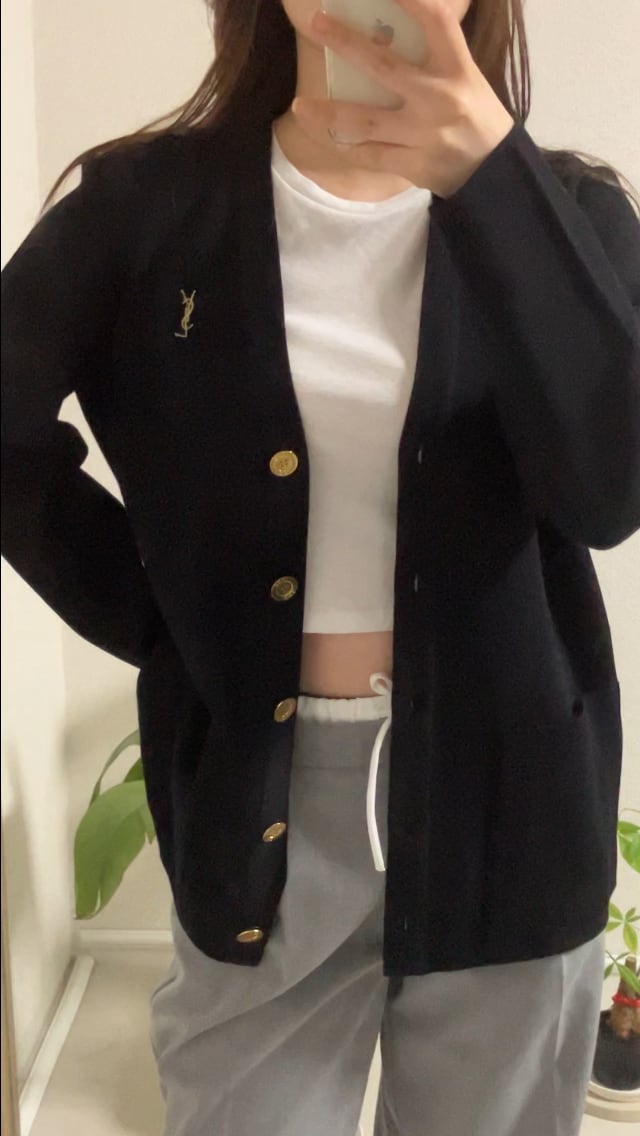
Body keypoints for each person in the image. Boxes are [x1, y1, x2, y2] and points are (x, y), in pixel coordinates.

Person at [2, 1, 640, 1133]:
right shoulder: (141, 208)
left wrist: (493, 182)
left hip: (510, 800)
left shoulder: (571, 212)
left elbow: (612, 492)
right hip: (261, 797)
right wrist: (165, 618)